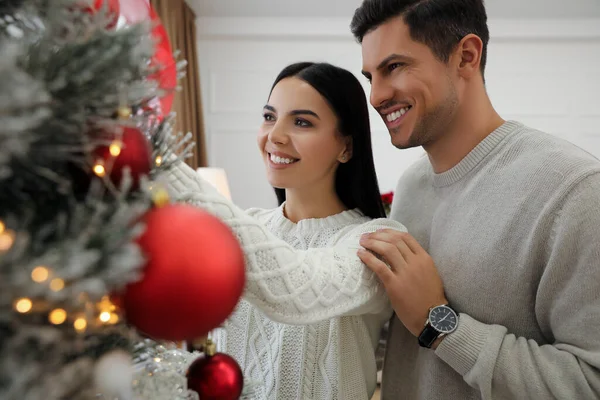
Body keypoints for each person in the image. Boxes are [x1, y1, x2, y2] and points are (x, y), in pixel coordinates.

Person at [349, 0, 600, 399]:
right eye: (370, 76)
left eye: (394, 67)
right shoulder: (412, 185)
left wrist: (439, 324)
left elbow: (589, 383)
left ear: (466, 56)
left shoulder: (575, 191)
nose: (377, 95)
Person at [165, 62, 407, 400]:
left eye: (302, 122)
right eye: (269, 117)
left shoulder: (375, 240)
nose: (275, 136)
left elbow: (296, 289)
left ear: (346, 147)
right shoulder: (249, 226)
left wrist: (160, 163)